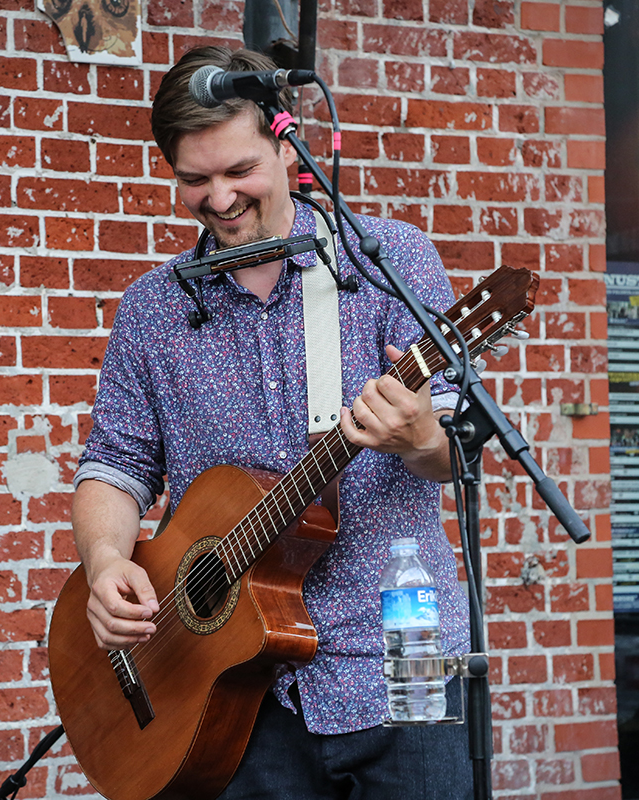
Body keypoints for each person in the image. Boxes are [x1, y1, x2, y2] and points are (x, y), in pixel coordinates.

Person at [72, 44, 473, 798]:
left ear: (290, 151)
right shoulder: (152, 312)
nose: (219, 199)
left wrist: (421, 437)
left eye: (238, 171)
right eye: (194, 180)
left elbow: (457, 447)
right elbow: (113, 465)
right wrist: (105, 560)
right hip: (231, 690)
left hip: (397, 664)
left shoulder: (386, 262)